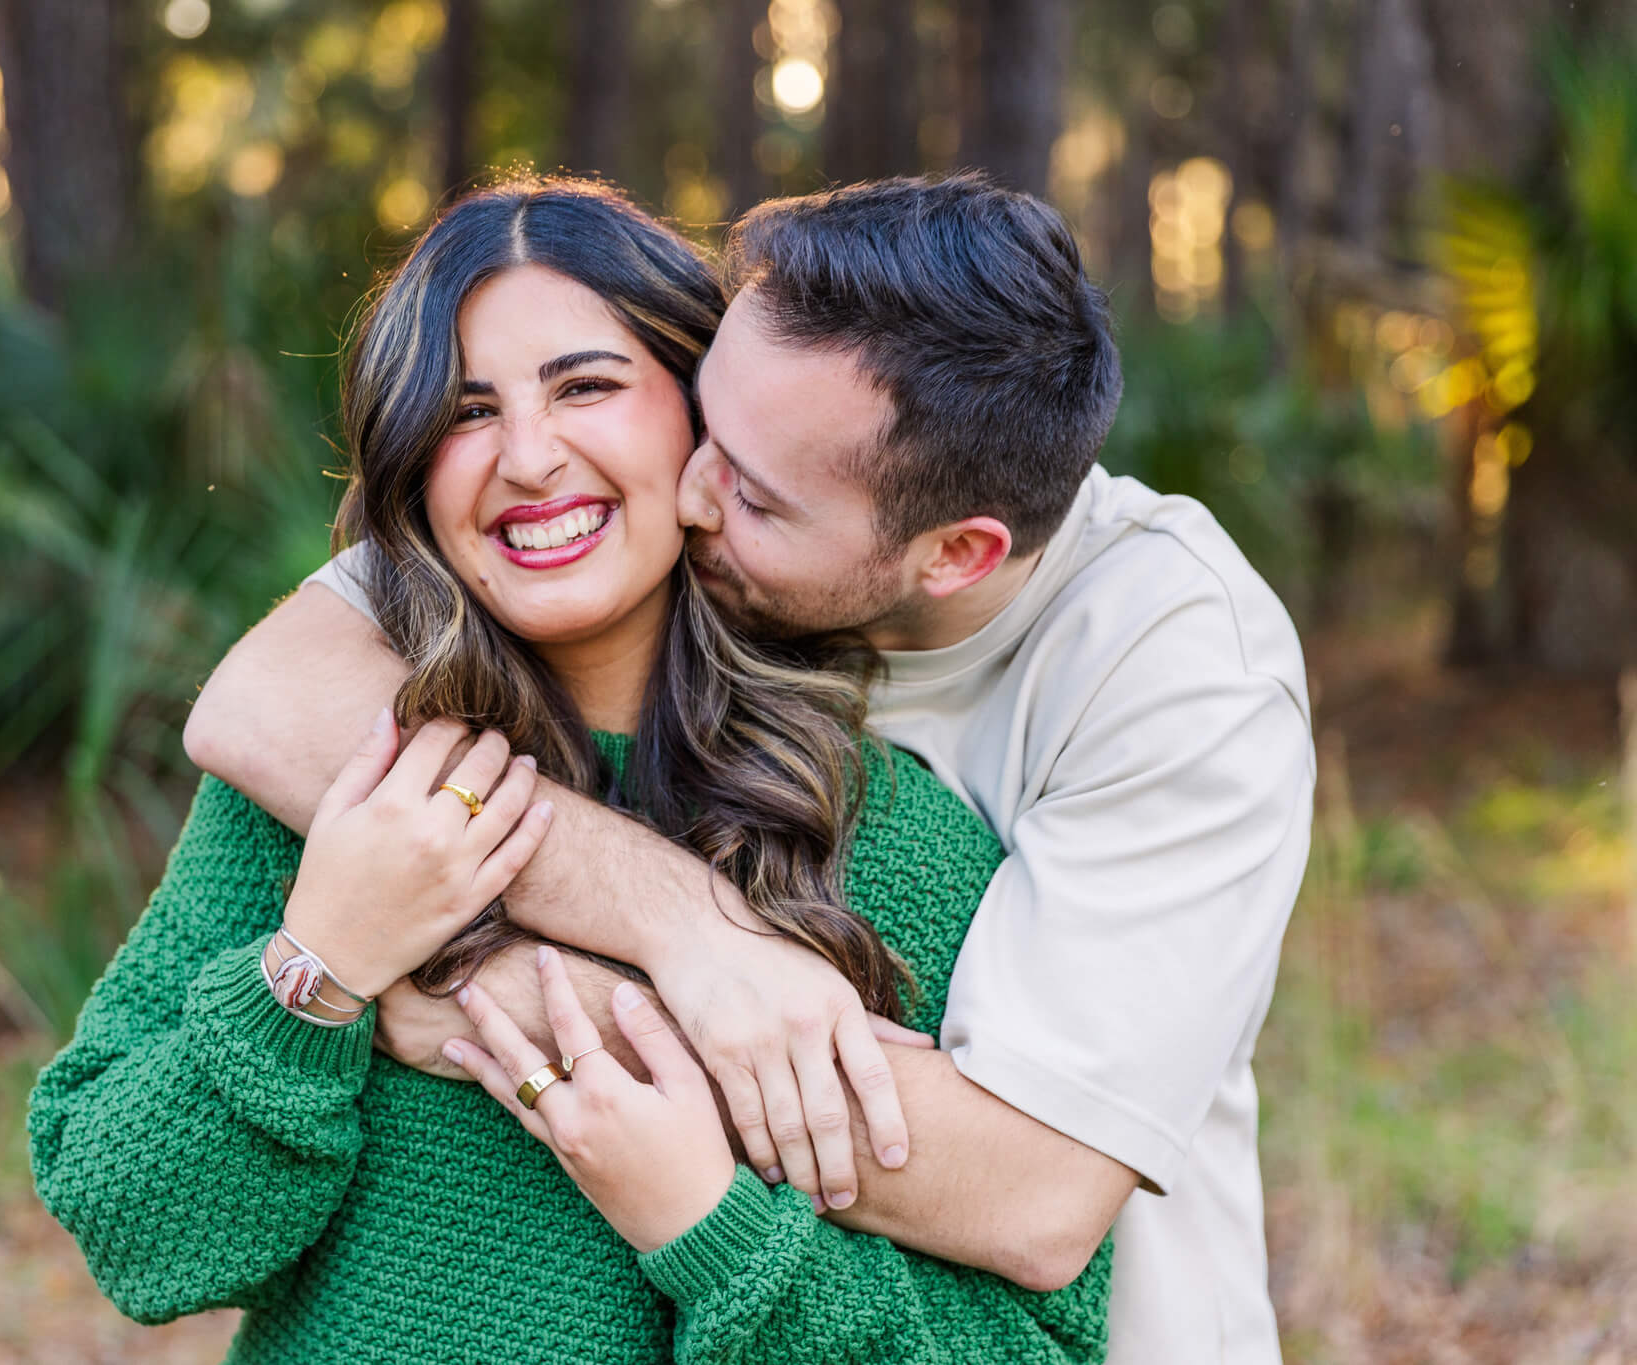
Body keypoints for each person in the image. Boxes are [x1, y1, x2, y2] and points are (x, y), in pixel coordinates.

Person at [187, 173, 1316, 1365]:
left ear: (953, 556)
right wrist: (697, 938)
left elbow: (1027, 1199)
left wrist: (490, 994)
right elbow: (264, 701)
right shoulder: (711, 476)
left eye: (753, 494)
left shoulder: (1177, 671)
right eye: (701, 423)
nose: (683, 493)